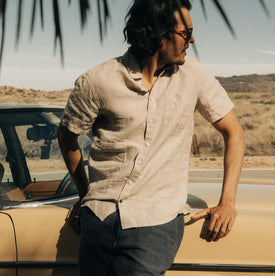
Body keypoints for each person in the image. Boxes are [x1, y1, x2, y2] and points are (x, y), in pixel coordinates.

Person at [58, 0, 245, 275]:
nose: (192, 39)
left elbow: (235, 132)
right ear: (160, 35)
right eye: (185, 33)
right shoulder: (98, 81)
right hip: (98, 219)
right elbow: (67, 135)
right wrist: (86, 196)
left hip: (154, 223)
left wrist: (227, 203)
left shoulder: (194, 76)